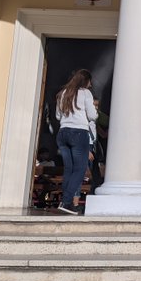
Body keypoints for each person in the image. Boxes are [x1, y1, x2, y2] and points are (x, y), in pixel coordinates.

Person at [55, 69, 98, 215]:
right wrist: (95, 113)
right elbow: (92, 116)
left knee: (69, 169)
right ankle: (67, 202)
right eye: (89, 82)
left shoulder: (62, 93)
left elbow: (57, 115)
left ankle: (64, 202)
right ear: (85, 81)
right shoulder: (85, 93)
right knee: (80, 170)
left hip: (63, 132)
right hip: (79, 132)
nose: (90, 85)